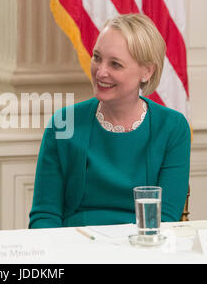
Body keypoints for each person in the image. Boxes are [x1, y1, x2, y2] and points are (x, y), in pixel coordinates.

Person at [29, 13, 191, 229]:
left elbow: (166, 220)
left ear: (147, 71)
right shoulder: (63, 122)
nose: (100, 71)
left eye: (115, 64)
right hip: (73, 249)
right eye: (97, 57)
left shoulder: (172, 127)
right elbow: (44, 216)